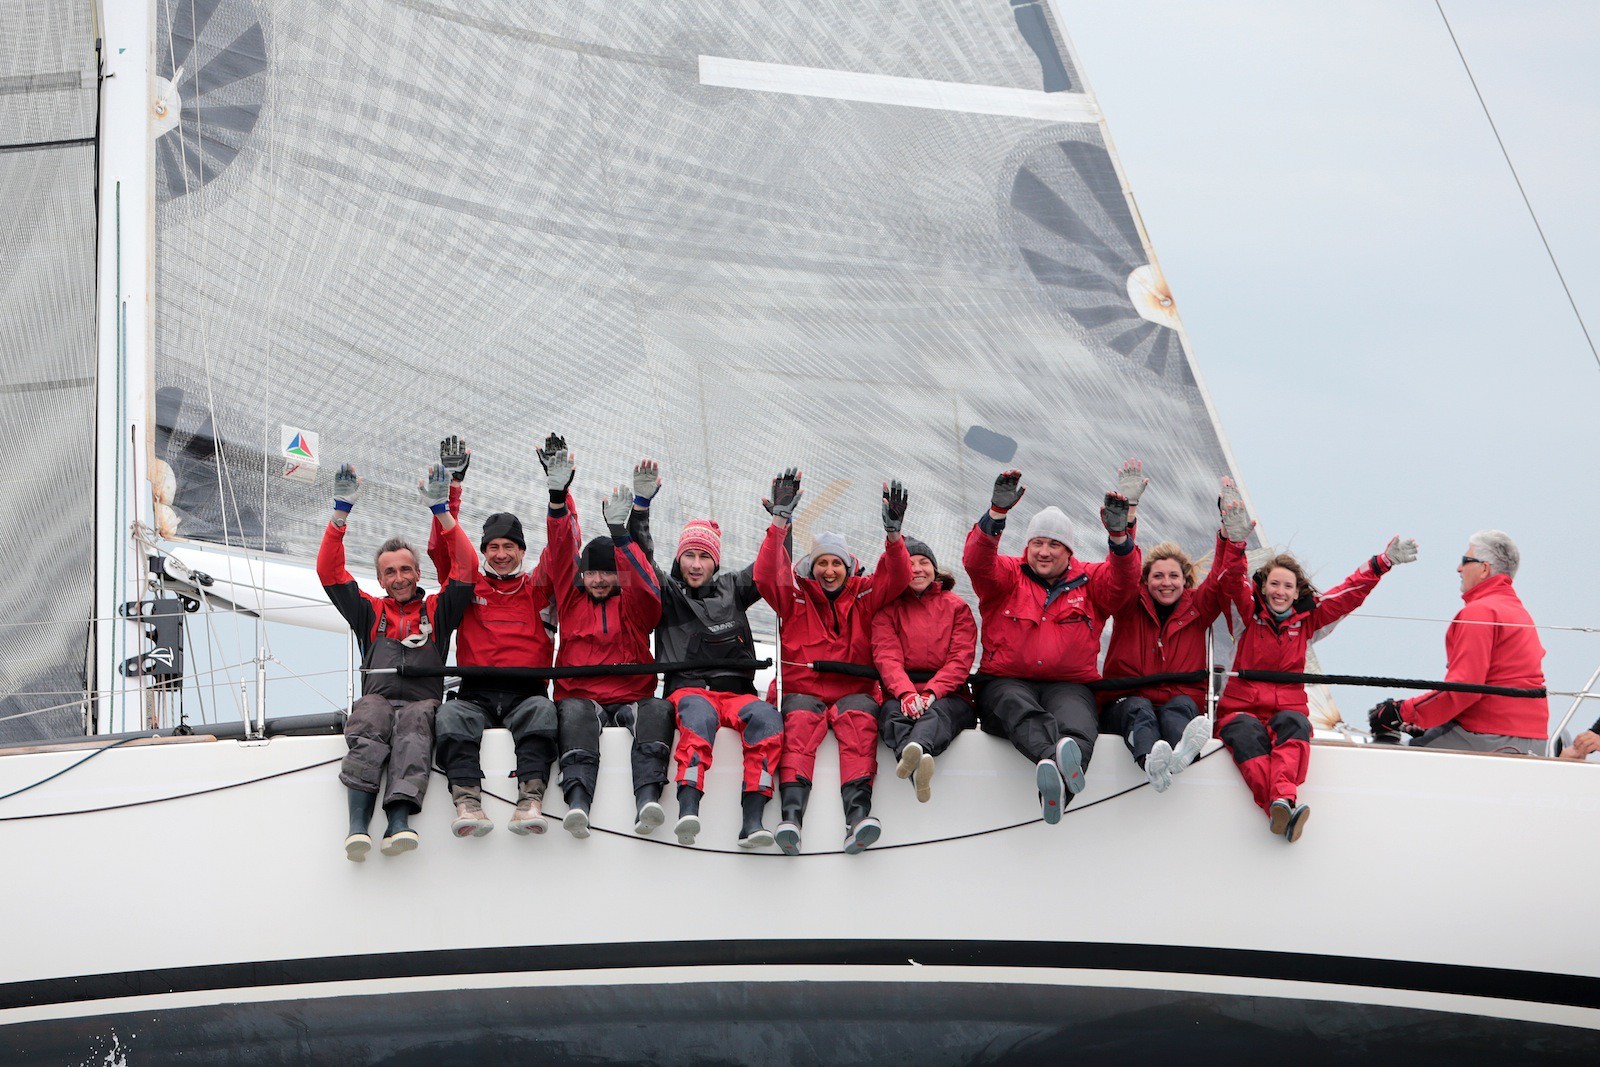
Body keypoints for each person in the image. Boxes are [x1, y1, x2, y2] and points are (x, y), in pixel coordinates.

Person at [1219, 491, 1416, 841]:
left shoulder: (1309, 621)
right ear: (1263, 587)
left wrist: (1382, 562)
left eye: (1288, 586)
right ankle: (1280, 803)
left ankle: (1279, 801)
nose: (1280, 591)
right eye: (1274, 584)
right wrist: (1235, 544)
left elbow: (1347, 594)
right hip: (1242, 709)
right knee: (1244, 734)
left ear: (1297, 593)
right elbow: (1233, 582)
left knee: (1295, 726)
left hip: (1287, 709)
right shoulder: (1247, 615)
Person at [962, 464, 1141, 824]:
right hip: (1005, 683)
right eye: (1038, 543)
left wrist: (1120, 537)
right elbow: (977, 562)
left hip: (1069, 685)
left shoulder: (1092, 581)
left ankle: (1057, 789)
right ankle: (1055, 765)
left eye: (1054, 544)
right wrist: (996, 514)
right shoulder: (1006, 575)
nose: (1044, 552)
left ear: (1069, 551)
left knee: (1077, 727)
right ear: (1027, 546)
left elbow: (1125, 579)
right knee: (1017, 706)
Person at [317, 460, 476, 861]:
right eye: (390, 572)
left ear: (418, 571)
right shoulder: (368, 612)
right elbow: (329, 572)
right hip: (379, 701)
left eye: (406, 569)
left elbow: (467, 568)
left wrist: (442, 512)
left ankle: (398, 822)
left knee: (416, 725)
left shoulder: (439, 609)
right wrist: (341, 512)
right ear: (380, 579)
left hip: (422, 703)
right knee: (369, 713)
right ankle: (357, 828)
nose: (400, 577)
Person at [626, 460, 784, 848]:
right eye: (689, 556)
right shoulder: (667, 591)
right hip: (691, 692)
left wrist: (780, 523)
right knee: (698, 717)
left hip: (738, 695)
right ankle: (688, 811)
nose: (696, 565)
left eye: (704, 557)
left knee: (768, 718)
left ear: (716, 561)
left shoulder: (735, 588)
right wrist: (641, 507)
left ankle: (752, 822)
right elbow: (640, 556)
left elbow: (769, 567)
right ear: (679, 558)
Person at [754, 469, 912, 855]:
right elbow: (764, 576)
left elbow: (900, 576)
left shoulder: (865, 593)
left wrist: (893, 535)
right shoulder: (793, 595)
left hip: (853, 693)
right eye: (822, 563)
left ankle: (857, 818)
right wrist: (779, 522)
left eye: (836, 564)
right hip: (801, 693)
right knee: (800, 723)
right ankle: (791, 816)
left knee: (860, 722)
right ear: (812, 566)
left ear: (847, 566)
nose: (829, 571)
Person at [427, 435, 564, 839]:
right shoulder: (469, 587)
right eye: (493, 547)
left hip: (528, 694)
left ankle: (531, 799)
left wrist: (558, 493)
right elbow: (444, 551)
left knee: (544, 712)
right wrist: (452, 489)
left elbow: (561, 547)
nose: (500, 553)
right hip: (477, 693)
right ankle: (467, 800)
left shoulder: (539, 587)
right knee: (449, 714)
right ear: (484, 551)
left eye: (509, 546)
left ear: (522, 551)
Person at [542, 439, 673, 839]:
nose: (597, 579)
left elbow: (647, 587)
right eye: (591, 573)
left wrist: (620, 537)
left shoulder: (633, 603)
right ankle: (578, 802)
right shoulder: (569, 598)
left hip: (632, 696)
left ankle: (648, 798)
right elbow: (562, 550)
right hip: (581, 697)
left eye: (606, 573)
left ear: (618, 575)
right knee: (576, 713)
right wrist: (557, 497)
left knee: (658, 710)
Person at [1100, 478, 1251, 791]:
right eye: (1157, 576)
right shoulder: (1129, 602)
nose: (1165, 582)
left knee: (1181, 706)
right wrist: (1127, 519)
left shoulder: (1199, 605)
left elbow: (1222, 580)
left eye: (1173, 576)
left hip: (1178, 700)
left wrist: (1229, 535)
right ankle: (1152, 760)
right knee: (1139, 710)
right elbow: (1121, 571)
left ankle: (1181, 752)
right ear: (1146, 580)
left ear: (1185, 580)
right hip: (1127, 700)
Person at [1368, 530, 1547, 754]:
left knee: (1394, 760)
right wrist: (1427, 721)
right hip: (1533, 739)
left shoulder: (1480, 612)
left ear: (1484, 569)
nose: (1458, 568)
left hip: (1489, 737)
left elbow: (1463, 689)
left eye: (1465, 561)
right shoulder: (1518, 611)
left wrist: (1398, 712)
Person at [870, 537, 977, 804]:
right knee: (891, 714)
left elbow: (960, 660)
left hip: (948, 696)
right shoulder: (887, 610)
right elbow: (887, 657)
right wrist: (906, 694)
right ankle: (919, 765)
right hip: (901, 694)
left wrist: (931, 693)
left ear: (934, 568)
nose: (917, 569)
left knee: (939, 714)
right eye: (909, 563)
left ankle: (914, 751)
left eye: (924, 562)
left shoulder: (957, 607)